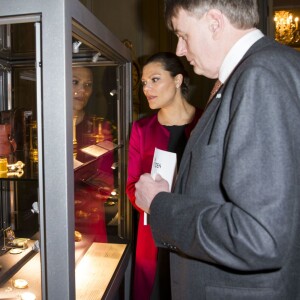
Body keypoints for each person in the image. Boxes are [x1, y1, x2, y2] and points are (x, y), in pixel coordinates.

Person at [134, 1, 300, 299]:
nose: (180, 49)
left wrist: (160, 204)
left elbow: (259, 236)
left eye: (183, 35)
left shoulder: (261, 75)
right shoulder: (249, 74)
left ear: (214, 21)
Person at [126, 52, 202, 300]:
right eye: (144, 83)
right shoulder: (141, 129)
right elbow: (130, 186)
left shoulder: (205, 122)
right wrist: (156, 204)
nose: (146, 88)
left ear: (178, 80)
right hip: (152, 236)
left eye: (155, 80)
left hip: (195, 232)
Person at [72, 66, 114, 243]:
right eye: (75, 82)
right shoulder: (42, 127)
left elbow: (106, 179)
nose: (83, 90)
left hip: (90, 218)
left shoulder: (100, 128)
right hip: (53, 216)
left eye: (88, 84)